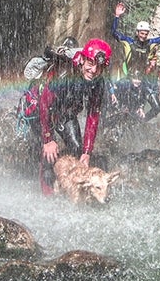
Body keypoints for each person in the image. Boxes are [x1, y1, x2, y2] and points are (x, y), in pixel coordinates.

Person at [34, 38, 112, 195]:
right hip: (40, 111)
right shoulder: (64, 72)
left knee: (76, 149)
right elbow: (44, 104)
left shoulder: (98, 82)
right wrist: (48, 139)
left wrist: (87, 151)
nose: (93, 70)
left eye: (99, 67)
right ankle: (46, 194)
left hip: (65, 114)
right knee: (49, 154)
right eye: (90, 63)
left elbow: (93, 115)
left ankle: (69, 188)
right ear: (82, 59)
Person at [110, 2, 160, 78]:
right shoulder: (129, 42)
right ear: (137, 32)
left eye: (146, 34)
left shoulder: (149, 43)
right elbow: (114, 33)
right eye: (142, 33)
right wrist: (117, 16)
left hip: (142, 76)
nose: (143, 36)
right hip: (128, 75)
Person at [143, 48, 160, 121]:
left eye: (154, 60)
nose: (153, 61)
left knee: (157, 108)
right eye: (151, 60)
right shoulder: (146, 67)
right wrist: (150, 66)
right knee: (155, 107)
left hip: (154, 89)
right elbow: (146, 74)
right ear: (149, 61)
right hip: (147, 89)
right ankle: (142, 120)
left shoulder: (158, 68)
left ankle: (144, 120)